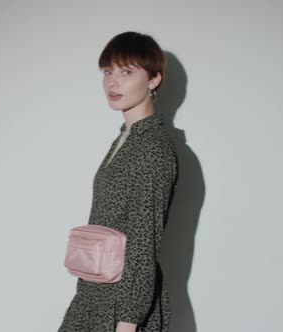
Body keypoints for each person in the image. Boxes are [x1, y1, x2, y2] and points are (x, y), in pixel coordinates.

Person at [58, 31, 178, 332]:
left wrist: (128, 322)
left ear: (154, 80)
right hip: (96, 295)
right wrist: (82, 299)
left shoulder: (152, 147)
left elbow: (143, 243)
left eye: (127, 71)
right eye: (108, 71)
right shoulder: (125, 138)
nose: (113, 82)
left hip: (123, 306)